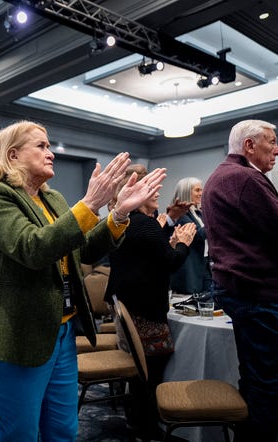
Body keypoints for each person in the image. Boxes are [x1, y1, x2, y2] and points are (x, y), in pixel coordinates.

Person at [0, 120, 166, 441]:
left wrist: (118, 215)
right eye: (42, 146)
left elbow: (86, 249)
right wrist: (90, 204)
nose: (51, 154)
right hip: (18, 335)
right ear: (13, 155)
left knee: (63, 429)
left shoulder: (54, 199)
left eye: (49, 146)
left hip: (62, 331)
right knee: (21, 434)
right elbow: (32, 248)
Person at [202, 119, 278, 441]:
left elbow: (272, 226)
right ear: (249, 146)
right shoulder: (244, 178)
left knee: (255, 379)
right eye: (272, 142)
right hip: (254, 294)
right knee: (267, 386)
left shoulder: (227, 176)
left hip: (241, 289)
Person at [104, 164, 196, 439]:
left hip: (130, 302)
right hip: (145, 307)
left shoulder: (129, 222)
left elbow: (148, 258)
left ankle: (138, 418)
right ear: (134, 193)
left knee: (139, 368)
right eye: (151, 190)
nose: (158, 194)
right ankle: (148, 423)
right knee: (151, 369)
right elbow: (169, 262)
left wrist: (169, 232)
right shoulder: (143, 224)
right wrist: (183, 243)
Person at [168, 177, 212, 294]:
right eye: (197, 190)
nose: (201, 193)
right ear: (186, 192)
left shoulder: (198, 213)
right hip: (190, 268)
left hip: (204, 264)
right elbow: (199, 235)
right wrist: (214, 216)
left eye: (201, 190)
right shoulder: (181, 216)